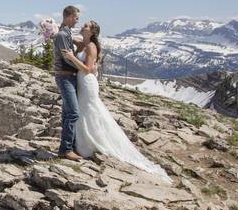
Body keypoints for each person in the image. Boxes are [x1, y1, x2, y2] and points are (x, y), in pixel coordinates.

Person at [61, 20, 171, 182]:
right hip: (81, 82)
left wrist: (71, 57)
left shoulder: (91, 46)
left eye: (86, 26)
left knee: (90, 110)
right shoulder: (83, 42)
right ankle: (83, 142)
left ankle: (93, 143)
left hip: (87, 81)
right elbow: (68, 37)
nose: (82, 26)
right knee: (83, 111)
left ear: (92, 32)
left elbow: (88, 69)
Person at [53, 5, 83, 160]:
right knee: (73, 112)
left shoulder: (67, 34)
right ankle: (66, 149)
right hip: (64, 77)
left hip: (69, 77)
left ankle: (65, 148)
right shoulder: (62, 35)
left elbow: (70, 55)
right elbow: (66, 58)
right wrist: (82, 67)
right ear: (68, 17)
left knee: (67, 113)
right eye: (76, 17)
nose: (77, 21)